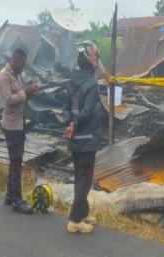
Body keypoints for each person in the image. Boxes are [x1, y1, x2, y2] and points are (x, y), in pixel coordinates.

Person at [62, 40, 105, 234]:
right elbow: (87, 112)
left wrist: (70, 123)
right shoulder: (91, 83)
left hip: (74, 139)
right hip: (87, 139)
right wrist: (75, 124)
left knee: (81, 175)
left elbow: (65, 109)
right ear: (91, 61)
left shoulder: (72, 81)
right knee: (84, 180)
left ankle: (84, 211)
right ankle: (75, 220)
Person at [0, 48, 39, 214]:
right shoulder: (4, 75)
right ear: (16, 60)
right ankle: (17, 199)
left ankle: (10, 195)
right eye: (23, 64)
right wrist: (26, 91)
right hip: (11, 125)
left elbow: (21, 99)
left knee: (16, 160)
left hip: (19, 123)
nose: (24, 68)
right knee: (16, 161)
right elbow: (9, 100)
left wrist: (31, 93)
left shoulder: (16, 75)